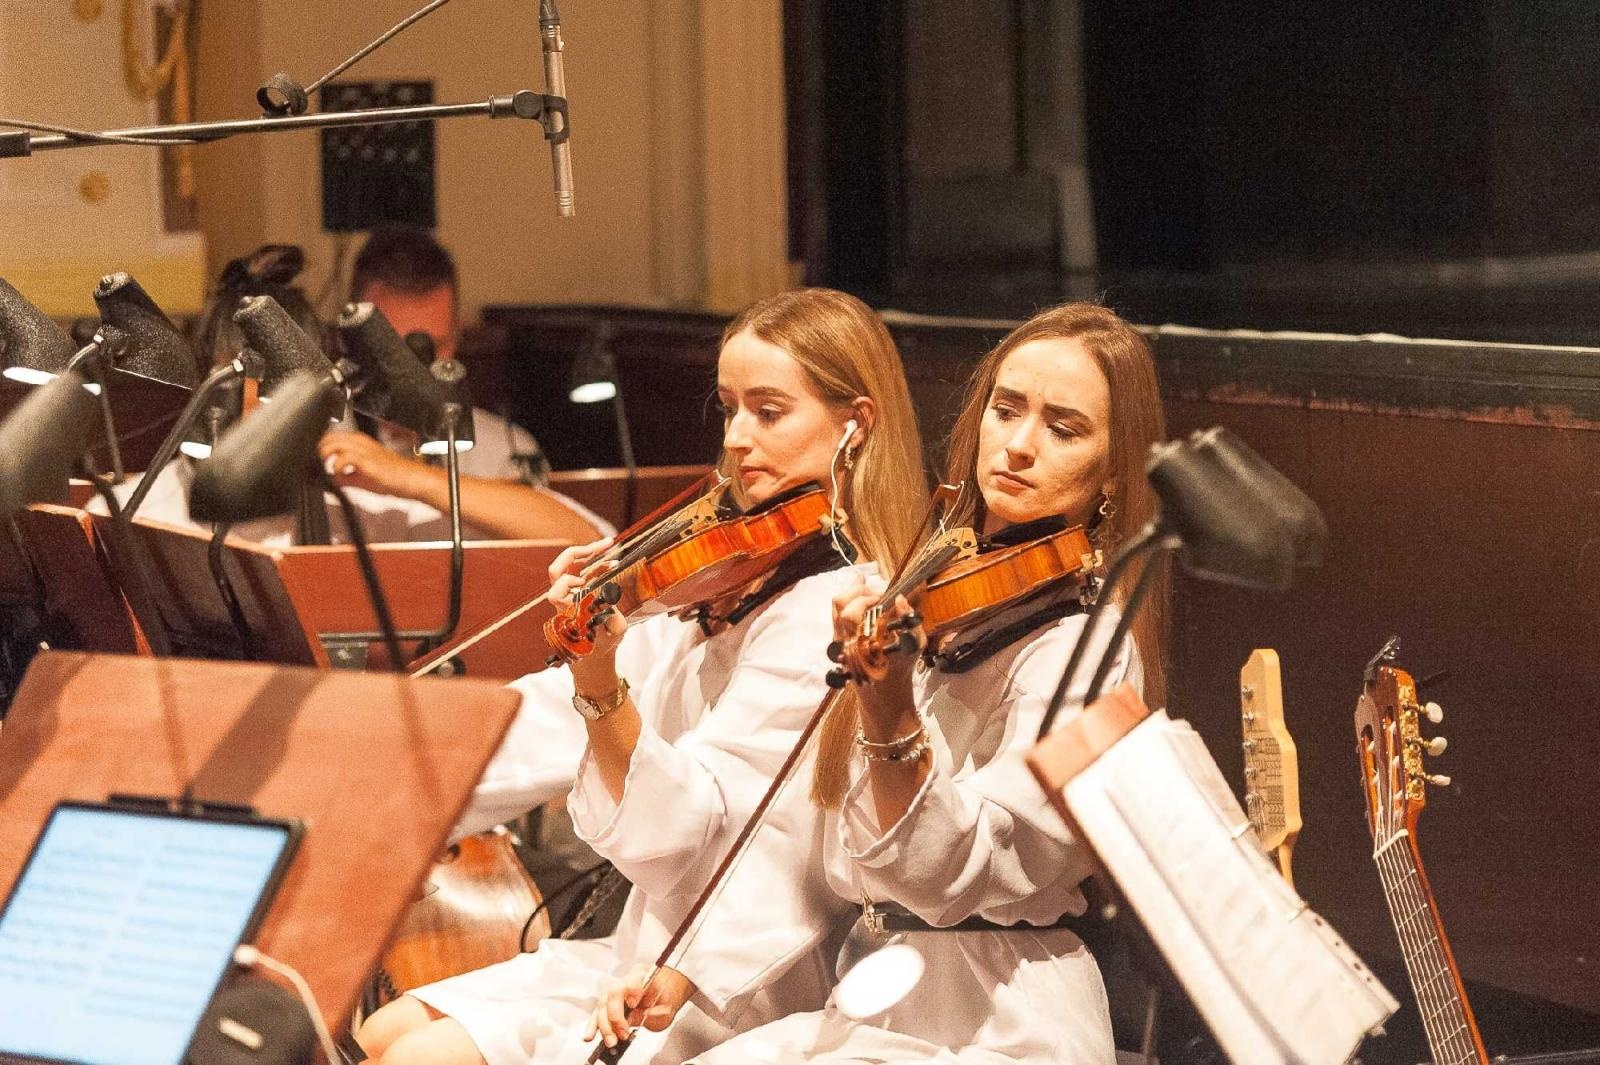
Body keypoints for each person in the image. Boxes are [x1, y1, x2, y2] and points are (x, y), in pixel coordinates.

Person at [355, 288, 929, 1065]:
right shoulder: (733, 583)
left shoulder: (833, 609)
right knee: (386, 1029)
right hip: (637, 948)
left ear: (855, 422)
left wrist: (600, 684)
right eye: (728, 410)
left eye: (768, 411)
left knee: (417, 1058)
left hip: (732, 982)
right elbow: (546, 719)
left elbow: (681, 835)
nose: (737, 440)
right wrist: (402, 793)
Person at [592, 301, 1169, 1065]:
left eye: (1063, 429)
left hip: (1002, 1016)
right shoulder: (931, 600)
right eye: (1005, 410)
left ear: (1113, 471)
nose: (1020, 445)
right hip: (876, 988)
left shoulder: (1086, 651)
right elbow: (800, 831)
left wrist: (891, 713)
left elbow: (961, 866)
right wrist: (689, 972)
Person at [349, 226, 543, 484]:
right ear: (356, 334)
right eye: (396, 349)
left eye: (435, 347)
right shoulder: (316, 450)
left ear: (456, 336)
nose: (416, 371)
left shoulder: (507, 453)